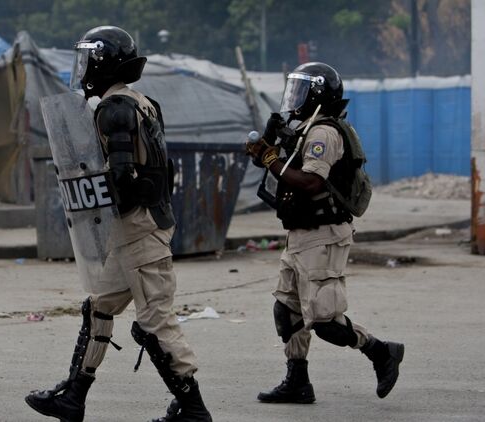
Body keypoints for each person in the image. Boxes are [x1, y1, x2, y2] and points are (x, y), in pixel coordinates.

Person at [25, 26, 212, 422]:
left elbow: (124, 176)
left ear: (101, 64)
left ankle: (193, 409)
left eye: (86, 60)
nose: (82, 68)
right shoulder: (143, 102)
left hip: (140, 230)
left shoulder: (114, 110)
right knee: (99, 307)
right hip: (131, 230)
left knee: (154, 324)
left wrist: (92, 188)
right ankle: (73, 396)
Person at [246, 62, 404, 404]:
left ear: (317, 95)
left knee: (324, 321)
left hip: (324, 235)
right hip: (300, 233)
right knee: (286, 310)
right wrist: (269, 147)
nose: (294, 97)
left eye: (301, 90)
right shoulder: (304, 130)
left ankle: (381, 352)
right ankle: (297, 381)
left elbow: (311, 181)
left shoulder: (324, 133)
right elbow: (282, 167)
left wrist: (271, 160)